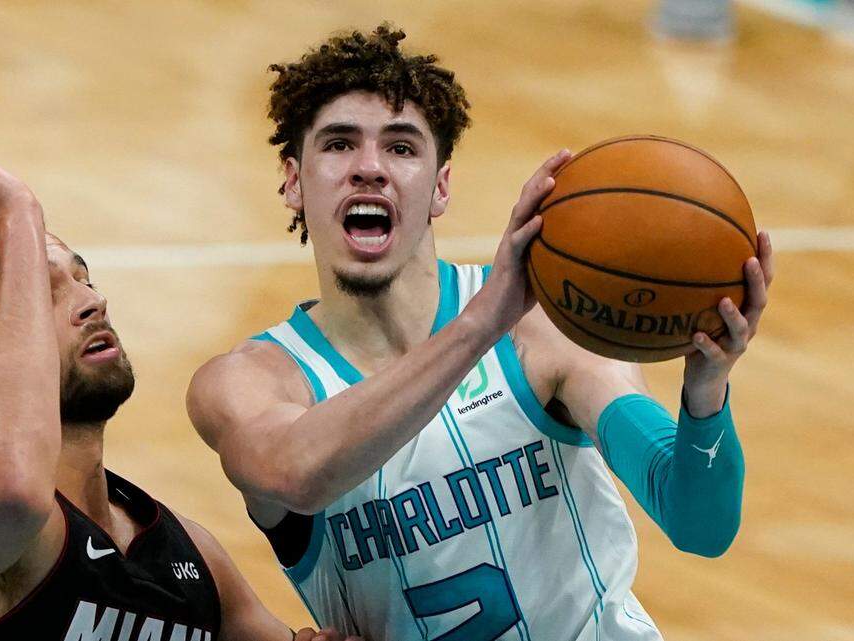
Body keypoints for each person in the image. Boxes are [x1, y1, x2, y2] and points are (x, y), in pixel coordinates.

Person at [186, 25, 772, 640]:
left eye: (402, 148)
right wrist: (480, 325)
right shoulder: (250, 381)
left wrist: (706, 394)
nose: (369, 169)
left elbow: (699, 524)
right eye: (338, 144)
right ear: (293, 183)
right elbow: (295, 475)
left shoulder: (542, 330)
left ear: (440, 187)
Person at [0, 122, 358, 641]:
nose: (91, 301)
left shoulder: (190, 556)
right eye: (39, 291)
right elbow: (11, 491)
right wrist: (17, 216)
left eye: (84, 278)